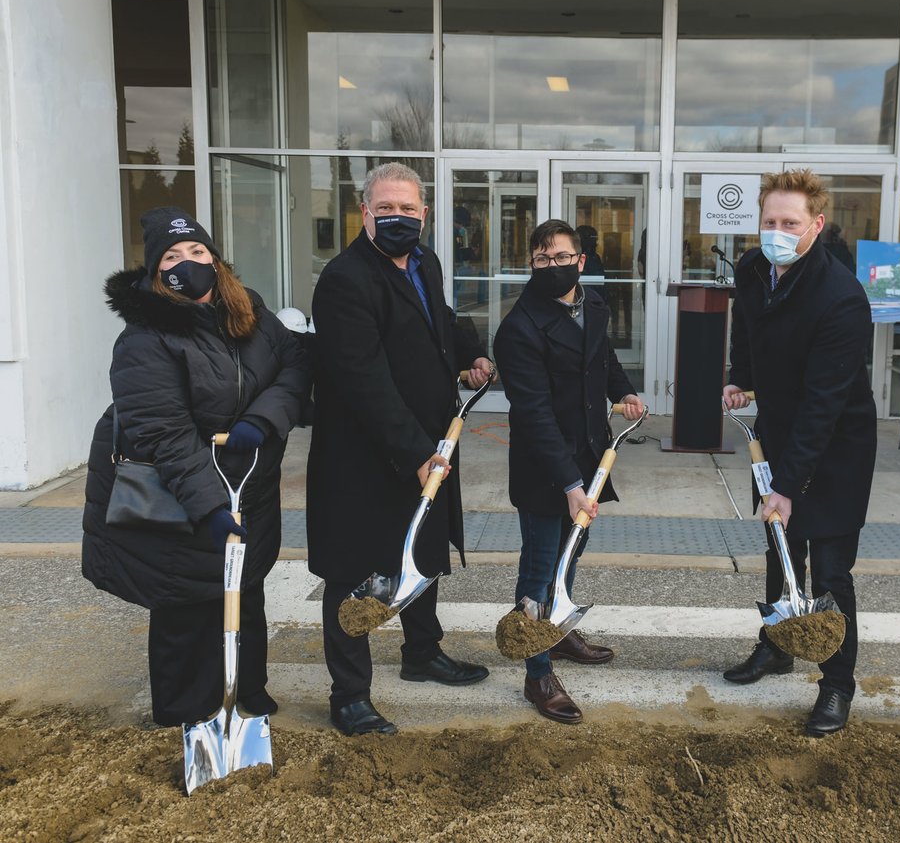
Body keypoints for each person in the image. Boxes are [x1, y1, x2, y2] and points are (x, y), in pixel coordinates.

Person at [82, 207, 309, 727]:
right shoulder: (145, 338)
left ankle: (247, 684)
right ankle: (187, 711)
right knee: (186, 594)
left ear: (216, 260)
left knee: (244, 584)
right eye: (172, 256)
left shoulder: (248, 313)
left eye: (197, 252)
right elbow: (162, 433)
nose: (188, 263)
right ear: (155, 273)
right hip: (178, 485)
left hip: (245, 477)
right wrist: (206, 505)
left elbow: (295, 366)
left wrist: (261, 418)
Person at [307, 162, 493, 737]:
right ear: (364, 213)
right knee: (354, 570)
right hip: (362, 456)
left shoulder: (425, 261)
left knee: (422, 549)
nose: (397, 218)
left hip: (424, 439)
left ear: (424, 213)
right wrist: (415, 451)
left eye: (407, 209)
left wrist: (469, 354)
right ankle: (349, 695)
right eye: (385, 209)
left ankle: (421, 653)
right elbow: (363, 378)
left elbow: (435, 321)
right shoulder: (344, 280)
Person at [721, 170, 877, 738]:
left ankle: (837, 683)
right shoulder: (752, 269)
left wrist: (786, 486)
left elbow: (823, 404)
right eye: (769, 221)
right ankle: (776, 646)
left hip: (835, 445)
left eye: (790, 223)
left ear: (816, 225)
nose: (777, 232)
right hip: (778, 430)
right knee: (778, 549)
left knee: (831, 569)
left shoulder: (841, 298)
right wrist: (742, 378)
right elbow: (748, 333)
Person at [493, 219, 645, 725]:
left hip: (589, 453)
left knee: (571, 555)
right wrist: (570, 484)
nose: (551, 266)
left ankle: (558, 635)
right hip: (545, 467)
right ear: (531, 264)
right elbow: (533, 414)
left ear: (581, 262)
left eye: (561, 258)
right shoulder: (518, 328)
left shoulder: (595, 306)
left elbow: (604, 358)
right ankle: (537, 671)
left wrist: (623, 392)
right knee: (540, 570)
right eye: (542, 259)